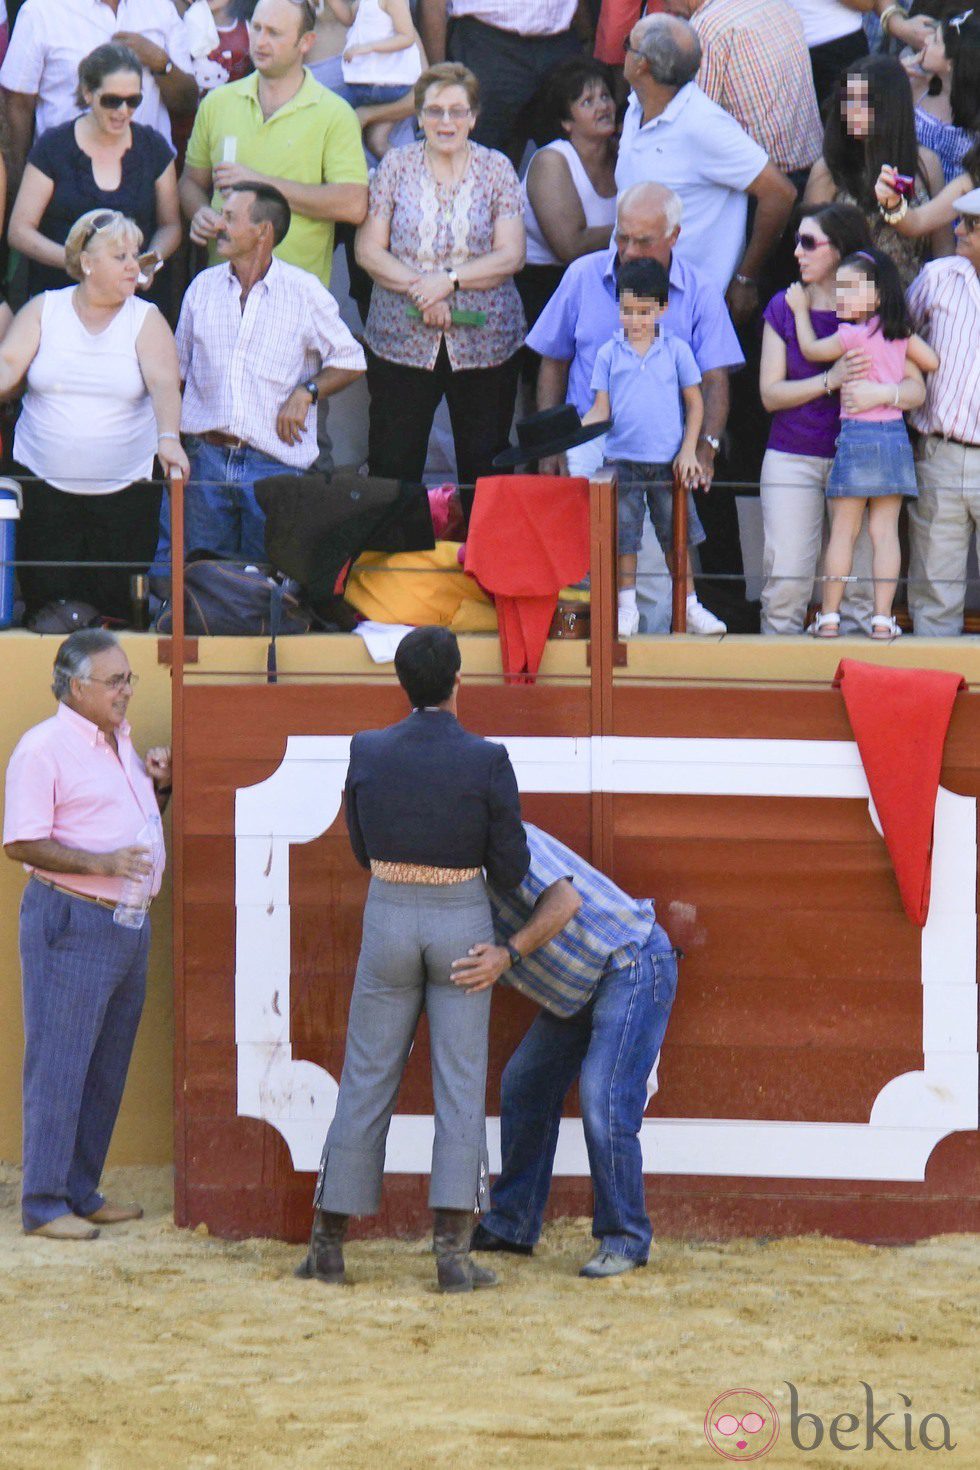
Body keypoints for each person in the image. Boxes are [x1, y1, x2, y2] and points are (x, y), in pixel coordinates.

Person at [297, 626, 530, 1293]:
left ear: (402, 684)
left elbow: (362, 852)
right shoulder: (486, 759)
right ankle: (453, 1258)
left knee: (366, 1075)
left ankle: (329, 1246)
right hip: (461, 920)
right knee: (460, 1083)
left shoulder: (368, 749)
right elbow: (511, 871)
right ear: (459, 681)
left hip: (389, 914)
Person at [2, 630, 172, 1240]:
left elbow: (126, 825)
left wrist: (161, 790)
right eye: (115, 681)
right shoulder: (42, 749)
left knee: (104, 1064)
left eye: (129, 679)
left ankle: (79, 1188)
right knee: (60, 1061)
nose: (126, 691)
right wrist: (101, 865)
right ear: (77, 686)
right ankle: (44, 1203)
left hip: (125, 920)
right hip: (72, 916)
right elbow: (20, 840)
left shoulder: (117, 744)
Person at [452, 822, 678, 1278]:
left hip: (630, 961)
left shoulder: (503, 835)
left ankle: (626, 1239)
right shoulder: (452, 863)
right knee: (524, 1083)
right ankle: (512, 1224)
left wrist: (506, 955)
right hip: (582, 986)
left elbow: (566, 901)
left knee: (603, 1099)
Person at [527, 182, 743, 634]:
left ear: (674, 236)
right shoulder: (584, 275)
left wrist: (704, 448)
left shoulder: (700, 290)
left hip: (659, 453)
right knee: (580, 572)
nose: (628, 249)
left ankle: (646, 682)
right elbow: (553, 360)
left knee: (653, 580)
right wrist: (551, 445)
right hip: (587, 454)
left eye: (643, 240)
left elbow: (714, 380)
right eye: (622, 237)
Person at [0, 209, 188, 628]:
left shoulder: (146, 317)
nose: (132, 266)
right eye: (120, 256)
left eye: (135, 255)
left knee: (116, 610)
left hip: (126, 494)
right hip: (42, 485)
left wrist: (169, 437)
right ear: (87, 262)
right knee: (46, 609)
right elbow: (8, 366)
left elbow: (163, 385)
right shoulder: (43, 309)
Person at [174, 182, 365, 561]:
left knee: (266, 587)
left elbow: (350, 359)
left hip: (273, 465)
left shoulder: (304, 291)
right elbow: (177, 371)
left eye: (230, 218)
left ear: (263, 231)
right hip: (206, 460)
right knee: (204, 583)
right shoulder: (202, 287)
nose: (218, 225)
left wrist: (306, 392)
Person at [355, 62, 526, 485]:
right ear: (418, 116)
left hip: (487, 344)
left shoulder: (497, 168)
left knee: (485, 467)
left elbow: (512, 255)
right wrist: (423, 290)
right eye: (434, 111)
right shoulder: (395, 166)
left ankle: (483, 553)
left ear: (473, 116)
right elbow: (368, 250)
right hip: (401, 341)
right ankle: (394, 553)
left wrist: (447, 280)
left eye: (456, 110)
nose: (445, 121)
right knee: (392, 464)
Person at [786, 245, 935, 637]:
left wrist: (801, 311)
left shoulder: (850, 335)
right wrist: (896, 368)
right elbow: (933, 361)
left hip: (856, 438)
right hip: (893, 439)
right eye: (841, 289)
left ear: (878, 295)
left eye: (852, 289)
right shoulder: (898, 334)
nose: (842, 297)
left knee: (843, 532)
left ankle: (830, 617)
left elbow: (810, 350)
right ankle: (883, 619)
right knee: (885, 533)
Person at [180, 0, 369, 290]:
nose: (260, 41)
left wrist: (259, 184)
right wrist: (200, 211)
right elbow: (191, 183)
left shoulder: (334, 113)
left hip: (296, 299)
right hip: (222, 290)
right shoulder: (217, 103)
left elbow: (353, 205)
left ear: (306, 42)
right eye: (256, 28)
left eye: (274, 33)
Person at [615, 14, 796, 315]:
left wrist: (746, 277)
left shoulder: (703, 125)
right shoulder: (637, 106)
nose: (623, 52)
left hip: (688, 307)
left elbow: (781, 193)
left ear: (641, 64)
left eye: (627, 45)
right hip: (634, 297)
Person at [759, 202, 882, 635]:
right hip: (792, 454)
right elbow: (770, 395)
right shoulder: (785, 304)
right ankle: (779, 691)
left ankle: (857, 690)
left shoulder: (873, 311)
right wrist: (829, 380)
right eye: (797, 242)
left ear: (841, 249)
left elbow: (917, 372)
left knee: (859, 589)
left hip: (860, 458)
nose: (797, 252)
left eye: (809, 243)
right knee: (787, 580)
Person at [581, 258, 711, 638]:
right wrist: (567, 432)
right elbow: (600, 410)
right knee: (625, 538)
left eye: (643, 311)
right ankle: (627, 608)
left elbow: (696, 402)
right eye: (626, 310)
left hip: (669, 463)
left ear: (662, 309)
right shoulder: (608, 354)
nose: (634, 320)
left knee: (677, 537)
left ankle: (688, 605)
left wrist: (689, 450)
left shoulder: (677, 350)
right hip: (623, 461)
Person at [8, 44, 181, 306]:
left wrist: (149, 260)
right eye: (112, 100)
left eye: (133, 100)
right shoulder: (53, 147)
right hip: (61, 296)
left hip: (132, 299)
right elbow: (20, 230)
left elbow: (171, 225)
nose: (123, 110)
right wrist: (77, 262)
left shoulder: (153, 148)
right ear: (88, 93)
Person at [0, 0, 197, 190]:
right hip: (62, 180)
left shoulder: (161, 8)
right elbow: (18, 105)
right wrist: (18, 183)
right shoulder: (41, 10)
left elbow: (187, 101)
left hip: (146, 180)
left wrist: (161, 63)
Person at [803, 54, 951, 284]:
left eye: (863, 103)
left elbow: (945, 255)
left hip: (913, 305)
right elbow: (810, 259)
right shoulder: (828, 170)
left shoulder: (926, 163)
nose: (852, 112)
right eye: (848, 101)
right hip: (845, 309)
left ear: (891, 107)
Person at [906, 186, 980, 635]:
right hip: (941, 451)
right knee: (934, 597)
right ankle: (933, 704)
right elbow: (898, 336)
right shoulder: (936, 276)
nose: (958, 229)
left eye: (971, 224)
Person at [659, 0, 823, 184]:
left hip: (765, 182)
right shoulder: (775, 3)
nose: (666, 9)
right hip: (814, 169)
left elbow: (695, 124)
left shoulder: (707, 26)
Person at [418, 0, 582, 168]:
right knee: (478, 169)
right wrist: (439, 77)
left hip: (561, 42)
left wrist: (590, 37)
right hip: (486, 44)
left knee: (575, 163)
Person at [518, 58, 618, 332]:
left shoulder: (624, 155)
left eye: (605, 96)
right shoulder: (552, 160)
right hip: (545, 289)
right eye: (588, 102)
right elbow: (571, 247)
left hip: (605, 280)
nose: (603, 107)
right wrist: (634, 230)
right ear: (566, 121)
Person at [322, 0, 421, 157]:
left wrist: (368, 47)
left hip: (385, 86)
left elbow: (407, 36)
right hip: (366, 85)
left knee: (332, 112)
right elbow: (348, 17)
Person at [905, 8, 980, 187]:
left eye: (936, 41)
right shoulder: (912, 79)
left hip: (953, 203)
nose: (926, 40)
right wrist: (888, 73)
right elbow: (851, 124)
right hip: (902, 191)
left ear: (951, 63)